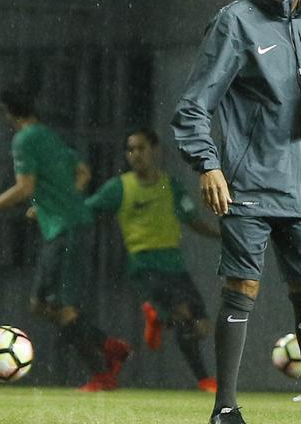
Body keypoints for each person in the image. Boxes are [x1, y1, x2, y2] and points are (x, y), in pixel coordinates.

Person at [171, 0, 301, 424]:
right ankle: (224, 409)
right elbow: (193, 107)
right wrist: (209, 164)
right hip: (249, 184)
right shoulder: (235, 23)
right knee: (241, 288)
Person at [0, 83, 132, 391]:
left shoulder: (24, 139)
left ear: (7, 111)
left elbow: (24, 188)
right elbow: (82, 171)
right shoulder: (48, 135)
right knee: (39, 304)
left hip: (65, 229)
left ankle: (103, 375)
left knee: (63, 307)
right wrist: (55, 201)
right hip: (66, 224)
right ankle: (112, 347)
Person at [85, 128, 219, 392]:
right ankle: (204, 378)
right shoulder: (119, 187)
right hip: (145, 264)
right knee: (183, 312)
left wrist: (223, 235)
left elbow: (193, 221)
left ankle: (158, 316)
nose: (135, 155)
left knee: (200, 325)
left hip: (175, 265)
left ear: (155, 150)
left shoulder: (171, 186)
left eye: (141, 148)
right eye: (130, 149)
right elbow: (86, 208)